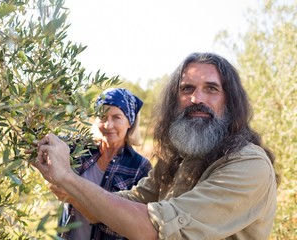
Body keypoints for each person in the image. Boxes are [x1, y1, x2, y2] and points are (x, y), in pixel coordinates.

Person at [32, 52, 279, 240]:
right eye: (187, 89)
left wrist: (69, 180)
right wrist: (71, 190)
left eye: (211, 89)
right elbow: (129, 201)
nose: (197, 99)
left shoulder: (249, 166)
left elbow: (152, 228)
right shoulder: (181, 159)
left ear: (231, 101)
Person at [52, 88, 152, 240]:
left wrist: (73, 198)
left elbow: (129, 228)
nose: (108, 125)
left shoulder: (140, 167)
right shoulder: (80, 149)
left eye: (116, 117)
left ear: (129, 122)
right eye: (103, 117)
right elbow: (44, 144)